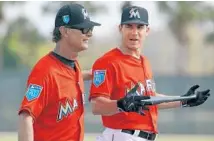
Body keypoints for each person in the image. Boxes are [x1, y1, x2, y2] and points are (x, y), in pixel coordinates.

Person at [89, 5, 210, 141]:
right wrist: (120, 105)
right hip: (121, 135)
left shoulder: (144, 62)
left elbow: (150, 99)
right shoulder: (107, 62)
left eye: (139, 27)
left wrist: (183, 100)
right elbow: (97, 105)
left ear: (147, 30)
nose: (134, 32)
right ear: (120, 29)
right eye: (129, 26)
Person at [18, 3, 100, 141]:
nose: (89, 34)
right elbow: (25, 116)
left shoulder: (73, 65)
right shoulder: (44, 71)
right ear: (65, 31)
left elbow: (66, 78)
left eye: (90, 29)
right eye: (83, 29)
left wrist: (93, 73)